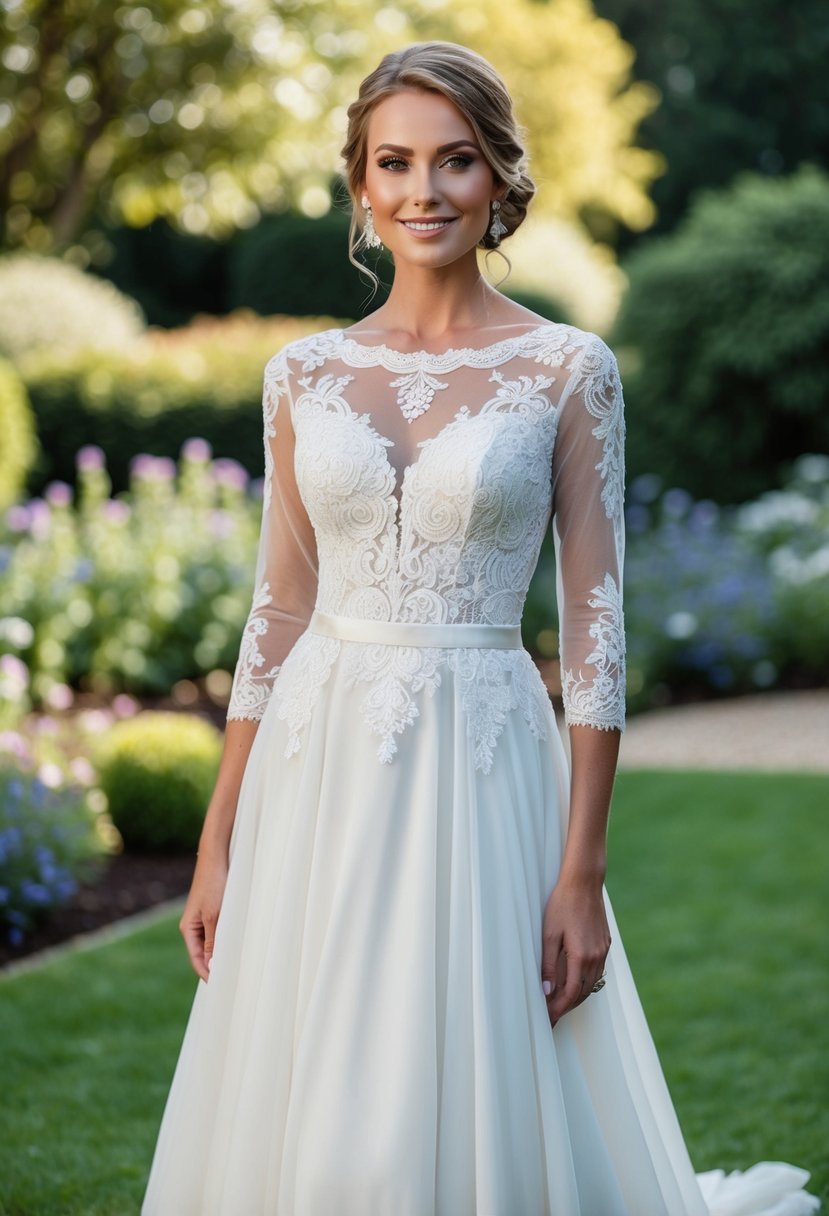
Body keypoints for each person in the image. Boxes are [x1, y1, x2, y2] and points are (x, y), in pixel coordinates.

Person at [142, 41, 820, 1216]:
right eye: (394, 163)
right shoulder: (302, 373)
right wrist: (216, 838)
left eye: (455, 161)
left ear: (500, 179)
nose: (424, 191)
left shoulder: (567, 368)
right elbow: (280, 607)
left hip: (486, 755)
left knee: (477, 1050)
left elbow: (596, 627)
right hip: (317, 762)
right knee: (319, 1063)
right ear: (359, 185)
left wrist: (583, 870)